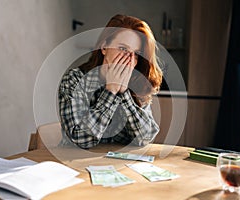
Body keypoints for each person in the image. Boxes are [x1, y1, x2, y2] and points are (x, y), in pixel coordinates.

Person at [58, 14, 163, 149]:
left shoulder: (138, 83)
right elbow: (80, 139)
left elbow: (145, 138)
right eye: (123, 49)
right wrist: (111, 91)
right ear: (104, 47)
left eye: (136, 53)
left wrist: (124, 92)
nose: (129, 59)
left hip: (117, 165)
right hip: (74, 163)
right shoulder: (73, 80)